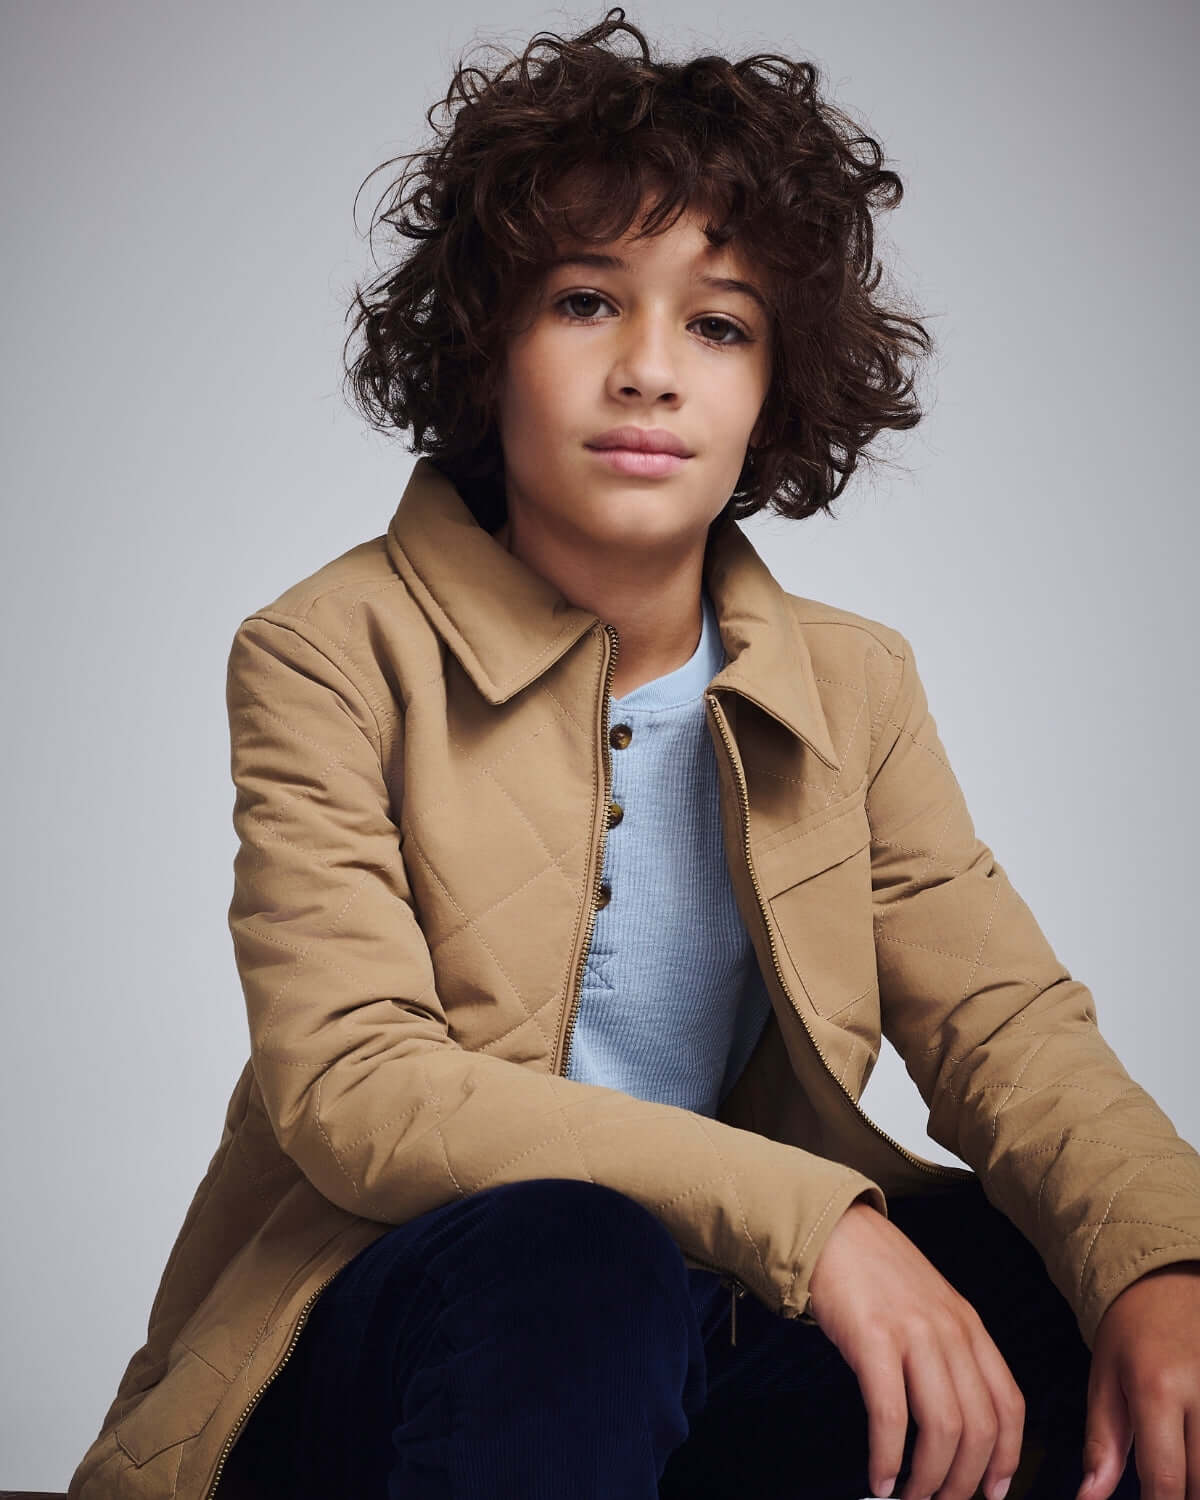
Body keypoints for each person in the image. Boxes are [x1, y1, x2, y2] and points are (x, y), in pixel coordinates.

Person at [68, 10, 1200, 1500]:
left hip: (699, 1345)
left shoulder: (851, 683)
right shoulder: (328, 648)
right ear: (487, 346)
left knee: (1050, 1275)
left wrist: (1158, 1266)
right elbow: (360, 1088)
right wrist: (813, 1224)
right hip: (401, 1344)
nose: (652, 371)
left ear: (775, 387)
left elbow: (1007, 1027)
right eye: (587, 302)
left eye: (720, 325)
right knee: (573, 1251)